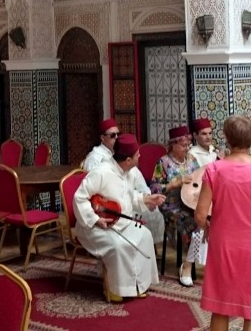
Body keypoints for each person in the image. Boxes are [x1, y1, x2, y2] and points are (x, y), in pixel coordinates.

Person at [194, 115, 251, 331]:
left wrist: (209, 225)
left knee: (221, 306)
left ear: (226, 137)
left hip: (223, 243)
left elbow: (200, 215)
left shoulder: (214, 170)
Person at [73, 133, 167, 301]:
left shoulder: (129, 171)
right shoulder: (101, 172)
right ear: (128, 160)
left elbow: (128, 198)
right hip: (96, 225)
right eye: (137, 154)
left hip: (121, 222)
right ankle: (115, 289)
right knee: (118, 246)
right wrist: (95, 219)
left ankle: (137, 285)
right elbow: (79, 198)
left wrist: (146, 199)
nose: (140, 155)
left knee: (145, 236)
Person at [84, 118, 165, 244]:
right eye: (112, 135)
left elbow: (138, 184)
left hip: (127, 204)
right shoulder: (96, 161)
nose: (116, 137)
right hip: (107, 211)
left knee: (152, 216)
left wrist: (146, 197)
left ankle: (148, 250)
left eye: (118, 134)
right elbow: (93, 197)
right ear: (102, 138)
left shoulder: (125, 159)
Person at [150, 125, 205, 287]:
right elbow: (154, 189)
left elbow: (198, 180)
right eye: (182, 145)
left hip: (190, 202)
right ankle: (187, 266)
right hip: (171, 205)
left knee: (211, 217)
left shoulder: (191, 159)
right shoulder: (163, 163)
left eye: (188, 145)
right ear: (173, 144)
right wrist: (174, 184)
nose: (186, 148)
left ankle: (212, 264)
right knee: (197, 222)